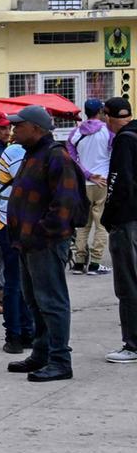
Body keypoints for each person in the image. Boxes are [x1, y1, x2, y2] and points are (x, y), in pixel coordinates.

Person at [5, 106, 81, 383]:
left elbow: (65, 202)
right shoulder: (32, 154)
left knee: (52, 302)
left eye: (19, 126)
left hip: (44, 243)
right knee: (35, 301)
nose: (14, 130)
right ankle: (42, 352)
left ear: (36, 128)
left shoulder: (55, 156)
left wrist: (41, 232)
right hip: (27, 242)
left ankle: (61, 360)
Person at [0, 114, 32, 355]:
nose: (10, 131)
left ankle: (27, 331)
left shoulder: (23, 151)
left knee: (25, 281)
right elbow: (26, 181)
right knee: (15, 281)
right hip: (9, 223)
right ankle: (15, 334)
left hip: (22, 223)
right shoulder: (16, 151)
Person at [102, 96, 137, 363]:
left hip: (127, 221)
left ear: (108, 116)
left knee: (128, 284)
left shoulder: (124, 140)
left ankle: (132, 344)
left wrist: (109, 217)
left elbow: (118, 182)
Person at [67, 98, 112, 275]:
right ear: (100, 111)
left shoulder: (75, 133)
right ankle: (95, 263)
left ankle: (79, 262)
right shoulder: (108, 131)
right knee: (101, 224)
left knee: (83, 225)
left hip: (83, 184)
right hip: (103, 181)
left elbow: (72, 159)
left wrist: (87, 174)